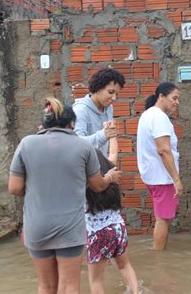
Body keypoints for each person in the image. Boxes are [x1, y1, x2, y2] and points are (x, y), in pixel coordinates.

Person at [8, 97, 122, 293]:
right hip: (70, 229)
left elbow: (15, 188)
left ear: (43, 123)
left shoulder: (26, 144)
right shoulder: (83, 146)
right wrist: (110, 177)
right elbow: (97, 186)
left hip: (37, 226)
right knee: (69, 286)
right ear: (71, 123)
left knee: (45, 286)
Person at [85, 137, 139, 294]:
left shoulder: (83, 182)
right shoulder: (111, 172)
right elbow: (114, 152)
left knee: (96, 281)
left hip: (97, 233)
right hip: (117, 228)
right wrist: (113, 135)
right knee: (124, 266)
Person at [136, 82, 183, 250]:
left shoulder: (148, 115)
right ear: (161, 96)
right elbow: (164, 150)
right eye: (174, 98)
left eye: (178, 99)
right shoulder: (159, 117)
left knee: (163, 216)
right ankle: (159, 258)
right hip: (162, 177)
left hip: (153, 174)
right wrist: (176, 179)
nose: (177, 102)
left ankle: (159, 254)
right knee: (163, 218)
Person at [73, 68, 125, 155]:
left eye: (117, 94)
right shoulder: (80, 110)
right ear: (97, 89)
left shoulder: (108, 108)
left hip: (100, 165)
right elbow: (76, 144)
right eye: (111, 92)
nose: (114, 98)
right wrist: (103, 135)